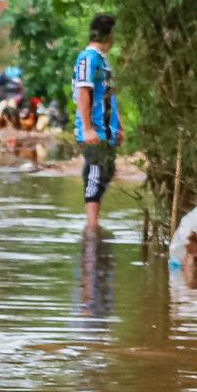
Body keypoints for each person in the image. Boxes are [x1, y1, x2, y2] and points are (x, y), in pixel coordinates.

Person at [74, 13, 121, 231]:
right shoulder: (88, 58)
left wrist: (118, 127)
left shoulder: (104, 61)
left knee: (105, 173)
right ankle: (91, 229)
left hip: (107, 132)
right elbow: (84, 92)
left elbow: (109, 97)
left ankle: (94, 225)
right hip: (94, 131)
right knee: (94, 175)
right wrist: (87, 128)